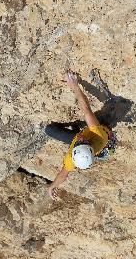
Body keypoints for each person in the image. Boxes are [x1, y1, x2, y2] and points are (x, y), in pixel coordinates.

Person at [46, 72, 112, 200]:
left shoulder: (72, 158)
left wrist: (52, 186)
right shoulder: (97, 135)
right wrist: (74, 86)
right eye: (83, 141)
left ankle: (77, 126)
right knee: (92, 119)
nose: (80, 139)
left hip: (91, 135)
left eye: (78, 142)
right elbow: (86, 109)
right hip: (102, 126)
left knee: (49, 130)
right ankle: (79, 126)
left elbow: (63, 175)